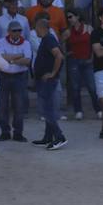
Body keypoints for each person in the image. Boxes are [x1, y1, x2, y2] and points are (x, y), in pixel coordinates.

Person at [29, 14, 66, 149]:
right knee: (47, 108)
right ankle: (48, 137)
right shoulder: (47, 39)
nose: (35, 31)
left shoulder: (49, 39)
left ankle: (59, 136)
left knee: (46, 109)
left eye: (36, 28)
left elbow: (59, 56)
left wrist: (53, 73)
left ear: (41, 27)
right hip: (43, 80)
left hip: (48, 81)